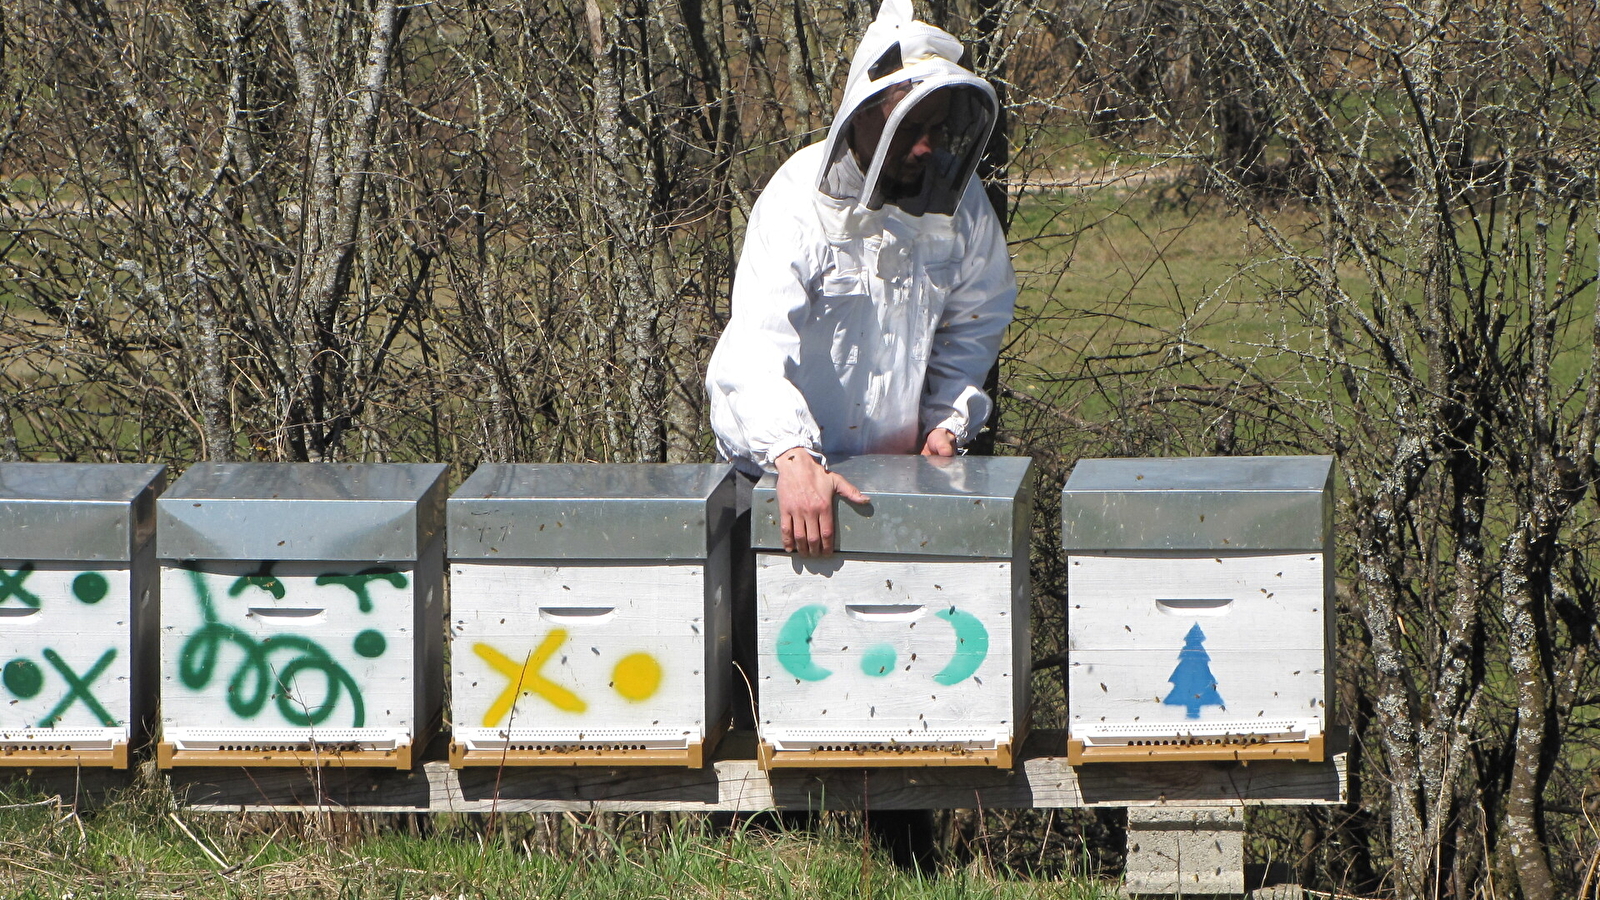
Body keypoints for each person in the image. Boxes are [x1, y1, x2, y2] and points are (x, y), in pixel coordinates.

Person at [705, 0, 1016, 558]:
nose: (926, 146)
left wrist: (946, 419)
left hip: (894, 480)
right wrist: (792, 455)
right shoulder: (796, 201)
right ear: (865, 112)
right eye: (910, 127)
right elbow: (756, 349)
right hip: (778, 477)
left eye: (937, 128)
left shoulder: (960, 203)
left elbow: (978, 318)